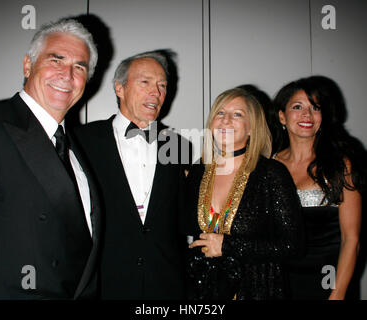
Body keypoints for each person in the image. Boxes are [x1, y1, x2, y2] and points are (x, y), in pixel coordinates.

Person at [0, 18, 101, 299]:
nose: (67, 74)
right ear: (28, 65)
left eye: (79, 67)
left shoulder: (78, 147)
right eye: (56, 60)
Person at [74, 51, 188, 299]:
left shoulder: (178, 145)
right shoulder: (82, 141)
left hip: (166, 284)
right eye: (145, 82)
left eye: (162, 85)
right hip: (105, 283)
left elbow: (183, 218)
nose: (156, 93)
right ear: (120, 88)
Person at [186, 87, 304, 300]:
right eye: (220, 113)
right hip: (204, 293)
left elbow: (292, 245)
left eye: (237, 114)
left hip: (257, 291)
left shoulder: (271, 173)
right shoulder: (198, 171)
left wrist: (228, 246)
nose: (226, 120)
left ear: (252, 128)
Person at [271, 77, 364, 299]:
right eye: (297, 107)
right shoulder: (270, 164)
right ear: (282, 116)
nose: (307, 115)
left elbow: (351, 239)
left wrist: (338, 293)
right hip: (278, 281)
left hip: (329, 280)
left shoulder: (341, 165)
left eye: (315, 107)